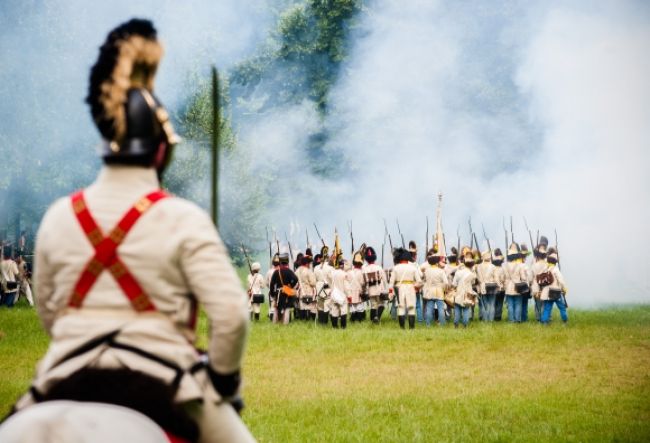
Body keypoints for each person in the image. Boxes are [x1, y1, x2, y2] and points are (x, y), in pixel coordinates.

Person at [8, 19, 253, 443]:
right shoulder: (183, 219)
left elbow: (50, 312)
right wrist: (225, 383)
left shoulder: (59, 217)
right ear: (162, 149)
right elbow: (231, 317)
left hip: (62, 377)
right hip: (164, 382)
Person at [389, 247, 422, 329]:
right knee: (411, 308)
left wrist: (390, 292)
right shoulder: (413, 268)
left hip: (399, 288)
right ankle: (411, 328)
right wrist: (416, 288)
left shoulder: (395, 268)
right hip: (411, 288)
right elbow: (419, 282)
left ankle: (402, 328)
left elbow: (391, 283)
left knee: (401, 308)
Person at [270, 253, 299, 325]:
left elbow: (272, 283)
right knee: (287, 307)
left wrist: (272, 293)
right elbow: (295, 279)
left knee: (277, 308)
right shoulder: (289, 271)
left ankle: (276, 323)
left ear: (280, 262)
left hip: (279, 293)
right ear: (287, 262)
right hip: (287, 293)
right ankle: (285, 323)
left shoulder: (277, 271)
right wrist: (290, 286)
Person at [540, 252, 568, 324]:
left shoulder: (545, 269)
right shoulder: (556, 269)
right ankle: (565, 320)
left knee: (547, 308)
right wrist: (564, 288)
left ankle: (544, 322)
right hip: (556, 292)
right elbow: (561, 280)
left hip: (547, 293)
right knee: (562, 307)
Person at [362, 246, 388, 324]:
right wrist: (385, 289)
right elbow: (384, 279)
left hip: (370, 290)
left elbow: (364, 282)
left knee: (373, 305)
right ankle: (377, 317)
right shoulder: (379, 268)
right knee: (382, 304)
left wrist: (364, 291)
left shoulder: (364, 269)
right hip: (379, 289)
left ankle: (373, 320)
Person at [422, 251, 448, 326]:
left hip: (430, 291)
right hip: (439, 291)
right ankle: (442, 323)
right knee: (441, 308)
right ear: (437, 262)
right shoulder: (441, 271)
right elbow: (446, 282)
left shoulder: (427, 271)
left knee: (429, 309)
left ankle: (428, 324)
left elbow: (424, 280)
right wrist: (445, 290)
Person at [452, 251, 477, 328]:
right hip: (468, 292)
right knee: (466, 309)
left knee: (457, 309)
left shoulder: (458, 272)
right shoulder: (472, 274)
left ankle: (456, 324)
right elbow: (473, 283)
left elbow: (454, 284)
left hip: (459, 291)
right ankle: (465, 325)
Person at [504, 243, 528, 323]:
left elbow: (505, 277)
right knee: (518, 304)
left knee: (510, 305)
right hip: (518, 286)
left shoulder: (506, 266)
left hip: (508, 287)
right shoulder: (520, 265)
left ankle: (511, 319)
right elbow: (523, 277)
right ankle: (517, 319)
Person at [476, 250, 497, 321]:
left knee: (484, 304)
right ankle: (490, 319)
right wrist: (498, 285)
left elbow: (478, 278)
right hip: (492, 286)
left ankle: (485, 319)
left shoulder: (478, 267)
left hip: (482, 286)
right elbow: (496, 278)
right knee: (491, 304)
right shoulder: (493, 267)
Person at [295, 252, 317, 321]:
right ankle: (308, 319)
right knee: (309, 306)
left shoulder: (297, 271)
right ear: (307, 263)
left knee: (301, 306)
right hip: (308, 291)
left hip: (300, 291)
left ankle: (302, 319)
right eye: (309, 263)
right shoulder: (308, 271)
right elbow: (313, 283)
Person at [530, 244, 549, 322]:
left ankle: (538, 317)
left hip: (536, 285)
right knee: (544, 303)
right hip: (545, 285)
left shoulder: (534, 265)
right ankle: (544, 318)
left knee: (538, 303)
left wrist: (530, 284)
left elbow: (531, 277)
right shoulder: (547, 265)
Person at [492, 248, 506, 321]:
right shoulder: (503, 269)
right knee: (500, 303)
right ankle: (498, 316)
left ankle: (493, 315)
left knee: (494, 302)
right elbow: (504, 278)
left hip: (494, 287)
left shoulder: (492, 268)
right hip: (502, 288)